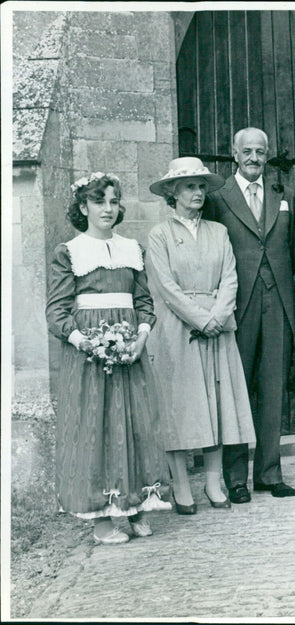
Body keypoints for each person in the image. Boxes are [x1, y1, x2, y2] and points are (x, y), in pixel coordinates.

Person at [46, 172, 171, 544]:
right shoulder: (69, 251)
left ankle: (132, 508)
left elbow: (144, 302)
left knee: (134, 425)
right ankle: (101, 520)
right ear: (83, 207)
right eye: (99, 201)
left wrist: (141, 337)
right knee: (97, 428)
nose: (107, 209)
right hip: (90, 357)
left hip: (130, 351)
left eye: (113, 202)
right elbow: (57, 312)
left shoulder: (132, 248)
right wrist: (87, 342)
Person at [147, 157, 256, 513]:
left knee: (217, 402)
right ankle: (180, 484)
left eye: (201, 186)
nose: (197, 193)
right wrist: (199, 319)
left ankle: (213, 480)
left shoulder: (218, 231)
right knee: (180, 406)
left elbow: (230, 278)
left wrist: (218, 316)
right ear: (172, 192)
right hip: (178, 329)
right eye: (190, 186)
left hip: (217, 327)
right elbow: (165, 286)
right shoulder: (160, 234)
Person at [204, 127, 295, 502]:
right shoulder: (217, 198)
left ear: (268, 153)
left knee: (273, 388)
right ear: (234, 153)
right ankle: (236, 477)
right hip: (237, 304)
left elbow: (293, 249)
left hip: (278, 302)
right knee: (236, 389)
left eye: (261, 151)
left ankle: (270, 473)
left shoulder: (282, 194)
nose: (254, 158)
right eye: (248, 151)